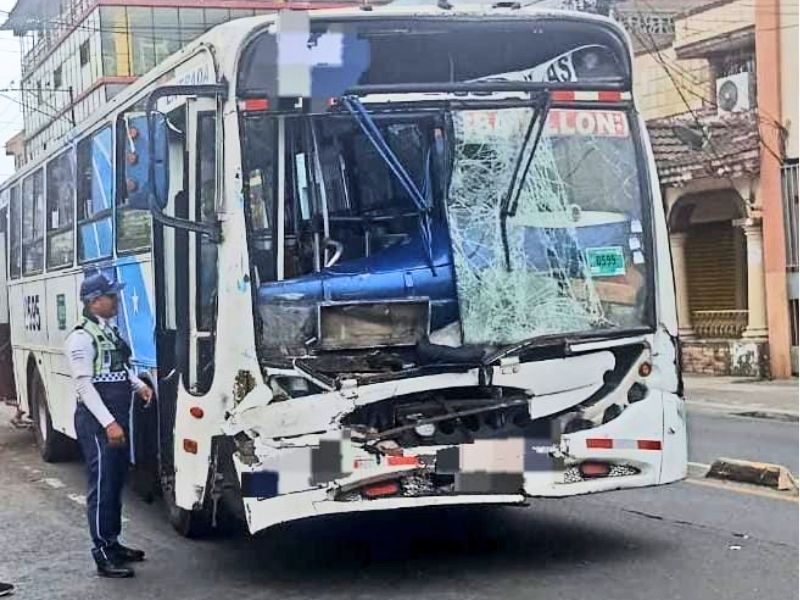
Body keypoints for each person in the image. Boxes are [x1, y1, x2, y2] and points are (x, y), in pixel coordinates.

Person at [65, 272, 153, 578]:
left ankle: (112, 542)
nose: (116, 300)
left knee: (114, 482)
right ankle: (102, 552)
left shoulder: (107, 332)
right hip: (97, 421)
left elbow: (118, 367)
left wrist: (136, 384)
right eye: (111, 296)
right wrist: (110, 424)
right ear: (94, 302)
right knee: (101, 486)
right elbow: (85, 387)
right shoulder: (81, 338)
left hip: (114, 416)